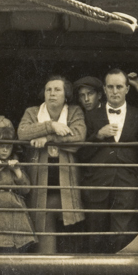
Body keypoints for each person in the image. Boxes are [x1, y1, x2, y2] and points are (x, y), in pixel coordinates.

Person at [80, 68, 138, 253]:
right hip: (97, 183)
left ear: (127, 89)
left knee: (123, 234)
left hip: (127, 182)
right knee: (95, 234)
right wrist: (98, 136)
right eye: (110, 87)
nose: (115, 91)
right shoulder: (91, 115)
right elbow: (81, 153)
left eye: (119, 87)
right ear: (104, 89)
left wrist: (136, 177)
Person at [18, 75, 86, 254]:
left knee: (70, 231)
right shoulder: (32, 112)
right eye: (48, 90)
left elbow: (79, 136)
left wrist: (47, 138)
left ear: (66, 94)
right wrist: (51, 126)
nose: (52, 94)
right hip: (40, 184)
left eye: (57, 90)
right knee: (43, 230)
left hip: (66, 184)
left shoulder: (74, 112)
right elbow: (23, 133)